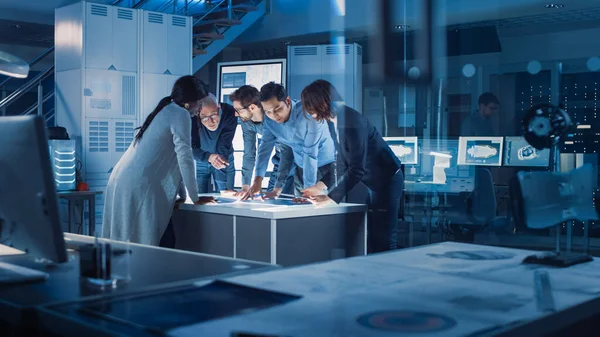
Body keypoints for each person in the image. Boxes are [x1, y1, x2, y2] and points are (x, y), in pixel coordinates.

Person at [102, 75, 215, 246]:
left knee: (129, 239)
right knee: (154, 242)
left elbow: (175, 160)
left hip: (123, 180)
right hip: (138, 184)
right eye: (199, 102)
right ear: (188, 102)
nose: (200, 108)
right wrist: (195, 197)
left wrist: (184, 196)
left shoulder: (167, 109)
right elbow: (184, 156)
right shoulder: (181, 114)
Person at [300, 80, 404, 253]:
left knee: (385, 240)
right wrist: (319, 187)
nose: (310, 114)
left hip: (387, 181)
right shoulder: (336, 121)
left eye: (311, 108)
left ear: (322, 102)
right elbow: (342, 163)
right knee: (373, 237)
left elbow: (356, 169)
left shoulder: (351, 121)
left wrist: (330, 198)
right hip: (374, 183)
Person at [242, 82, 335, 199]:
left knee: (320, 210)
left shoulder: (309, 113)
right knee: (299, 211)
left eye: (277, 108)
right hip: (301, 169)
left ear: (288, 101)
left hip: (326, 169)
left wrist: (308, 191)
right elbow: (264, 150)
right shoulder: (270, 121)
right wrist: (258, 180)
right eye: (268, 111)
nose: (274, 115)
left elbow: (310, 154)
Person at [229, 85, 295, 196]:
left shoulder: (274, 117)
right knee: (270, 197)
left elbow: (273, 150)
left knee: (283, 197)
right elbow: (249, 154)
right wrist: (246, 186)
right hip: (279, 160)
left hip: (293, 159)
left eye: (238, 110)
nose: (235, 114)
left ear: (252, 107)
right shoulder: (247, 122)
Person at [191, 93, 237, 192]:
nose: (210, 121)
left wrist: (223, 187)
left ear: (219, 107)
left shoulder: (229, 113)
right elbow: (190, 147)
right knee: (198, 200)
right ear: (198, 113)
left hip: (224, 158)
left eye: (213, 115)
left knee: (226, 197)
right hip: (200, 159)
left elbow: (224, 145)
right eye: (204, 117)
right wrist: (209, 157)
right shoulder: (192, 117)